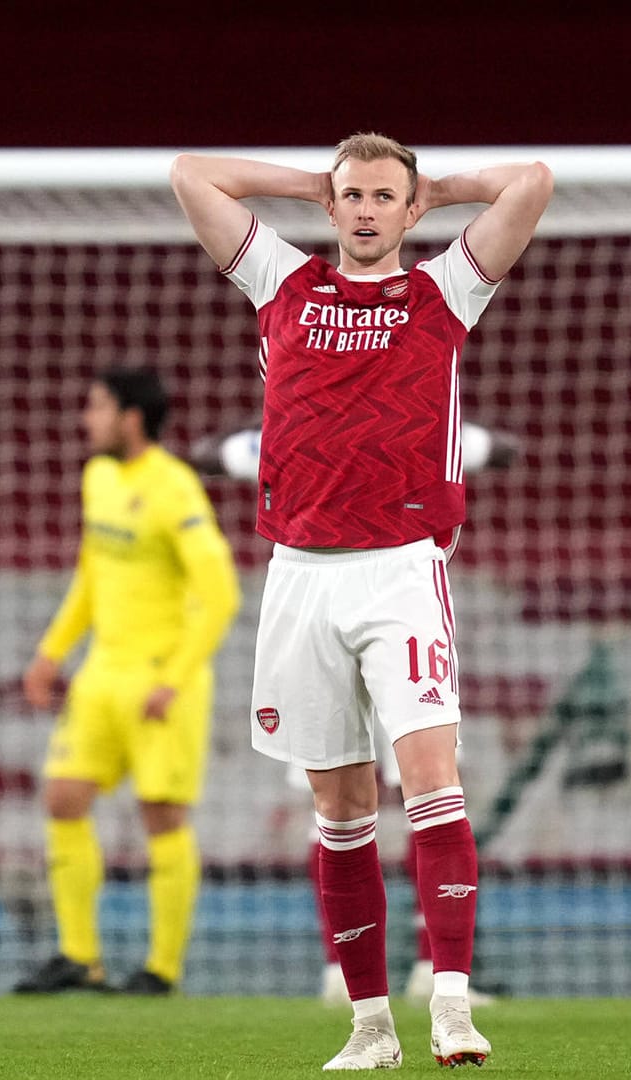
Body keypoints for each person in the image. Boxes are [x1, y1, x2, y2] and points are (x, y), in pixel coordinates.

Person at [172, 133, 551, 1069]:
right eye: (356, 197)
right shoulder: (282, 285)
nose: (369, 210)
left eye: (387, 197)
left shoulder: (444, 291)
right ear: (333, 210)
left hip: (398, 567)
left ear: (411, 211)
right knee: (341, 810)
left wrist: (436, 188)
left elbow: (533, 182)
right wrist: (312, 186)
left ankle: (452, 1007)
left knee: (431, 779)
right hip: (299, 571)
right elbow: (191, 173)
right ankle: (371, 1025)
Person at [189, 421, 519, 1007]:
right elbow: (504, 448)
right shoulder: (419, 427)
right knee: (408, 795)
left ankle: (346, 972)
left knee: (371, 802)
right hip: (394, 614)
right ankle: (408, 970)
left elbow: (211, 454)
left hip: (338, 611)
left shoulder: (291, 436)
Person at [13, 368, 241, 996]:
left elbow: (220, 594)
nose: (86, 420)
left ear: (131, 418)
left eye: (97, 408)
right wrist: (50, 654)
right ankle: (78, 957)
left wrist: (174, 676)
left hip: (160, 680)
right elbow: (92, 576)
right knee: (62, 798)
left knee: (160, 815)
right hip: (101, 675)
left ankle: (160, 969)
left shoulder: (175, 488)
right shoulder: (98, 478)